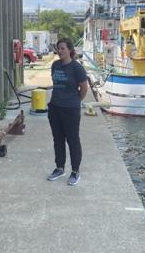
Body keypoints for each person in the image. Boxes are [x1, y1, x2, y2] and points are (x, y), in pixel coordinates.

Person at [47, 37, 88, 185]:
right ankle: (59, 168)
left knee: (73, 140)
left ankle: (75, 171)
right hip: (55, 108)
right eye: (58, 48)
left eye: (63, 48)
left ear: (70, 50)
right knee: (58, 140)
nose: (60, 51)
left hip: (70, 110)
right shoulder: (55, 65)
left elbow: (84, 89)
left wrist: (75, 101)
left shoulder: (77, 68)